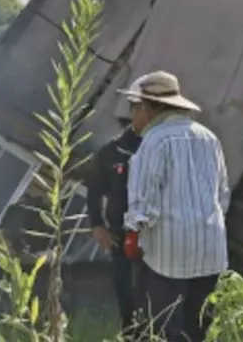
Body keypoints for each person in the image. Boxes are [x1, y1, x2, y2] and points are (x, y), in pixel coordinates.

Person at [122, 71, 230, 342]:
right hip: (210, 250)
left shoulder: (155, 141)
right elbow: (222, 194)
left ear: (147, 108)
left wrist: (133, 232)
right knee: (200, 327)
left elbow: (143, 207)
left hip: (168, 254)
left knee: (166, 326)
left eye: (134, 107)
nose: (132, 116)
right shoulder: (208, 137)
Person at [85, 98, 144, 337]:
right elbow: (94, 190)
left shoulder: (164, 148)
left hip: (158, 237)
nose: (147, 115)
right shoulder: (113, 151)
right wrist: (97, 226)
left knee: (156, 298)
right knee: (126, 296)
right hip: (122, 238)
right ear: (133, 112)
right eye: (142, 109)